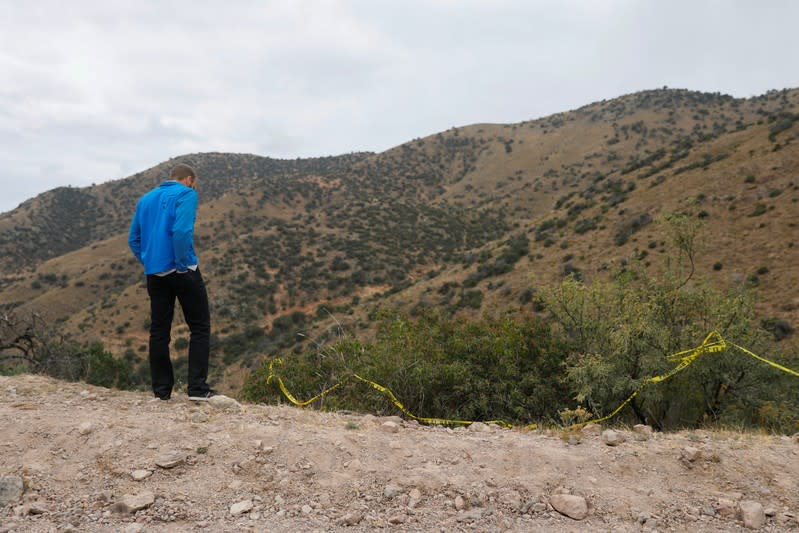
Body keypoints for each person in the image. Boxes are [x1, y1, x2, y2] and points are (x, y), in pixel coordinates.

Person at [128, 163, 215, 401]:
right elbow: (181, 231)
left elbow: (133, 239)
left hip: (154, 273)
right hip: (182, 270)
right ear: (188, 179)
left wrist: (148, 260)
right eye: (193, 182)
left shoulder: (145, 200)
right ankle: (197, 389)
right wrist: (181, 264)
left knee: (159, 331)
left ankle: (161, 391)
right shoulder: (187, 194)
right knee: (199, 327)